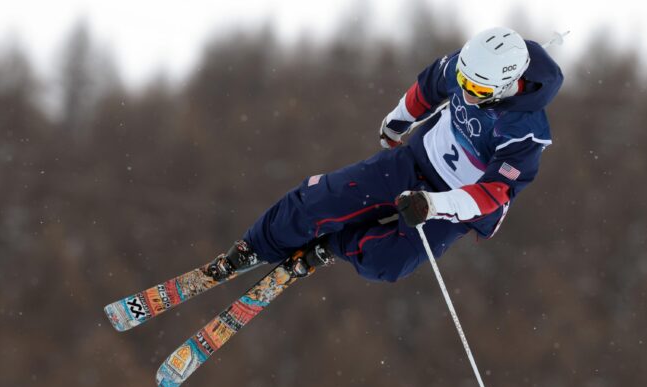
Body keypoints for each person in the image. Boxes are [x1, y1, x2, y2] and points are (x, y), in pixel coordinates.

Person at [208, 26, 564, 282]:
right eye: (464, 82)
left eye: (477, 89)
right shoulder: (467, 66)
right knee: (322, 199)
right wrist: (398, 121)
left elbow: (493, 196)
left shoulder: (526, 133)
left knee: (387, 263)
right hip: (418, 160)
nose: (466, 93)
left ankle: (334, 244)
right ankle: (257, 246)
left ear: (505, 84)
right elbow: (430, 86)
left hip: (455, 201)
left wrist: (434, 205)